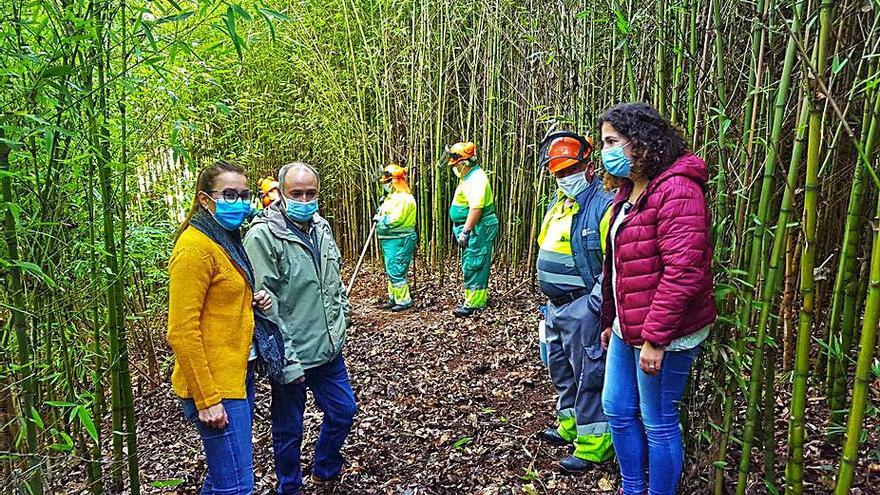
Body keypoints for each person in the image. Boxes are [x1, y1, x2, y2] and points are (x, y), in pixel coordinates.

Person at [598, 103, 716, 495]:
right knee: (616, 409)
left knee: (659, 419)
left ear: (642, 142)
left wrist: (655, 338)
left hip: (667, 332)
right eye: (604, 143)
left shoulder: (678, 189)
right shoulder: (629, 191)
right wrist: (609, 321)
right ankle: (632, 488)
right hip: (627, 326)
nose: (606, 151)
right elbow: (619, 265)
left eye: (613, 141)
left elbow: (684, 271)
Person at [243, 162, 357, 495]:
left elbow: (332, 284)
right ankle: (289, 487)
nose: (305, 199)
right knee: (288, 429)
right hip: (289, 353)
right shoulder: (263, 236)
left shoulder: (320, 226)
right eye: (297, 193)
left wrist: (342, 319)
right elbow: (267, 307)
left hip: (326, 348)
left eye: (311, 193)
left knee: (343, 410)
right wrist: (288, 361)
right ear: (282, 193)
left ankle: (324, 469)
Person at [167, 160, 274, 494]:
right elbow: (181, 330)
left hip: (236, 372)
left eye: (244, 195)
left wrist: (249, 301)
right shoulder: (195, 248)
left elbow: (217, 303)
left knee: (221, 480)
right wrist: (207, 400)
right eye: (229, 194)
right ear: (205, 199)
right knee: (237, 487)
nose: (240, 202)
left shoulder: (224, 238)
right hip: (215, 385)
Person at [535, 132, 615, 473]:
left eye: (570, 169)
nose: (563, 176)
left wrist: (595, 305)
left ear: (588, 166)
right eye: (558, 172)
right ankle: (569, 425)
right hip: (555, 306)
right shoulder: (560, 202)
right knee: (562, 370)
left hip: (583, 305)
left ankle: (594, 445)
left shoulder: (604, 203)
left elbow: (614, 261)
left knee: (589, 375)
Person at [446, 141, 499, 317]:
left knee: (475, 263)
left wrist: (466, 231)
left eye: (456, 164)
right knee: (471, 262)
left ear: (464, 163)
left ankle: (475, 304)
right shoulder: (468, 177)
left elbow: (476, 207)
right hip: (474, 227)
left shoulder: (476, 178)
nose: (454, 167)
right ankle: (474, 299)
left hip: (478, 227)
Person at [373, 163, 417, 311]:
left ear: (394, 181)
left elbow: (397, 218)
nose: (385, 185)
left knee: (396, 269)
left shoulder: (404, 198)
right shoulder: (391, 197)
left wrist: (382, 220)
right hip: (391, 239)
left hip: (400, 239)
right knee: (391, 269)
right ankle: (394, 298)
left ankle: (404, 301)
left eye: (387, 182)